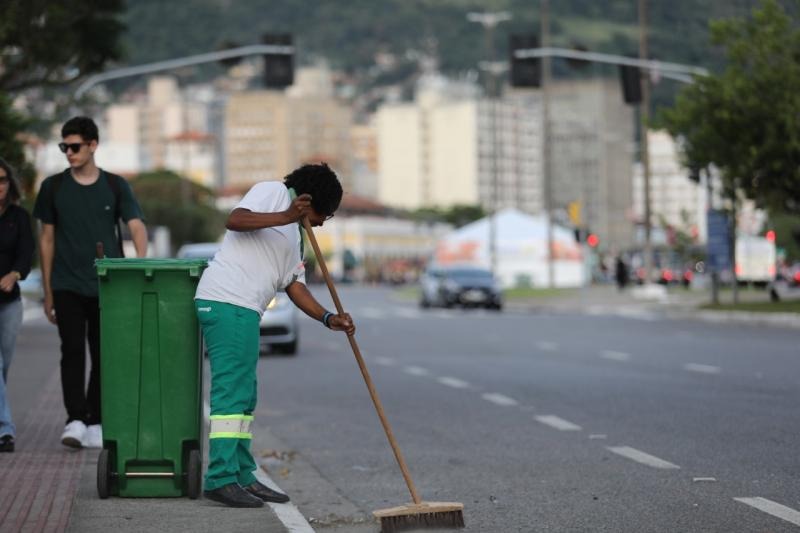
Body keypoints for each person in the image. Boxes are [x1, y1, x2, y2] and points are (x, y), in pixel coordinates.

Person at [195, 163, 355, 508]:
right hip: (226, 300)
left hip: (244, 308)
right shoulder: (273, 193)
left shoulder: (297, 237)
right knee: (231, 394)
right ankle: (220, 478)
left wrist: (328, 318)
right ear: (310, 200)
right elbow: (235, 219)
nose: (325, 221)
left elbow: (294, 287)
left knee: (245, 396)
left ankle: (241, 474)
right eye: (326, 213)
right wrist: (285, 215)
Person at [33, 117, 148, 449]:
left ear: (93, 145)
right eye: (64, 147)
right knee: (71, 351)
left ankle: (96, 420)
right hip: (66, 283)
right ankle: (75, 419)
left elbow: (136, 225)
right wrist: (48, 290)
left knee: (103, 354)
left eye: (75, 146)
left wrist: (139, 265)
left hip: (108, 285)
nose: (68, 152)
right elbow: (47, 240)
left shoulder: (115, 185)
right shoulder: (52, 187)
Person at [0, 158, 35, 453]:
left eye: (2, 179)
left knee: (4, 366)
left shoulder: (19, 217)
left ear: (9, 183)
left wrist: (14, 274)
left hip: (9, 302)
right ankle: (5, 431)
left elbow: (27, 254)